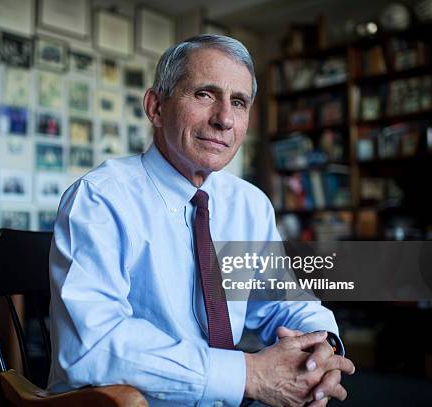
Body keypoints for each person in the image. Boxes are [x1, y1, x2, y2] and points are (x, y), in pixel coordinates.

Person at [47, 34, 355, 406]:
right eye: (205, 94)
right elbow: (92, 346)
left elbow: (281, 301)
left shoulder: (250, 205)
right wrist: (249, 374)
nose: (224, 118)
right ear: (156, 107)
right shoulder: (100, 198)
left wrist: (322, 345)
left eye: (238, 102)